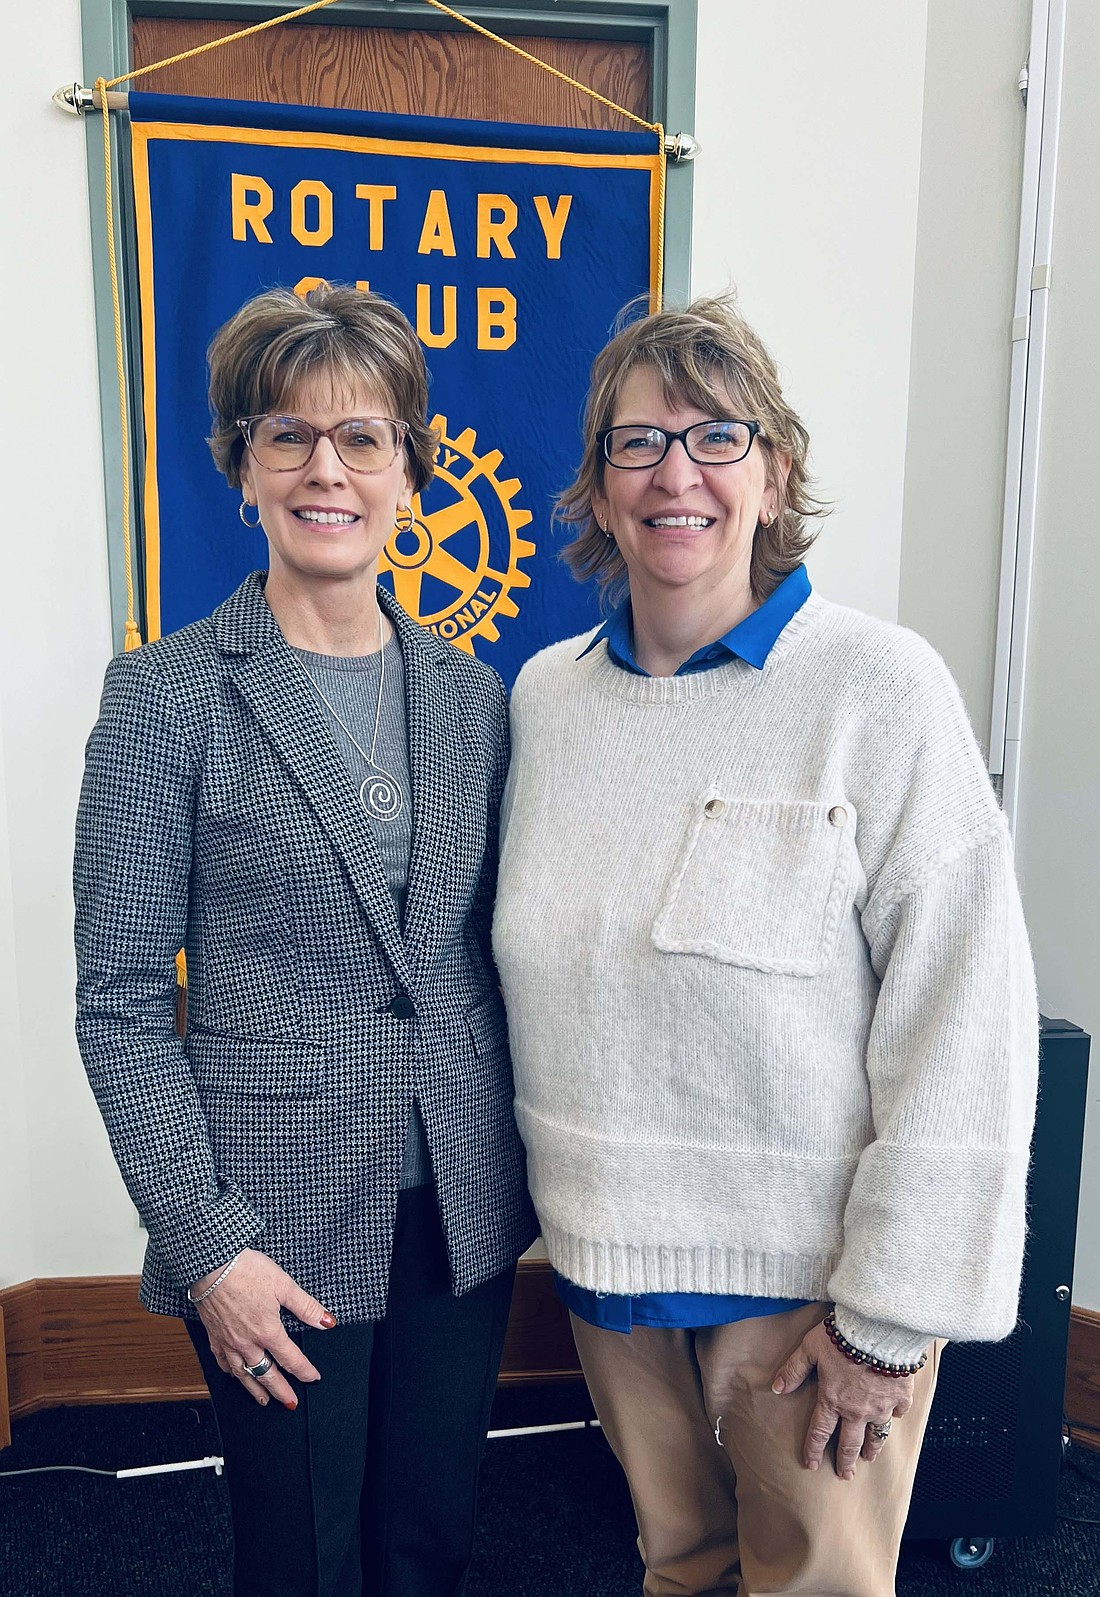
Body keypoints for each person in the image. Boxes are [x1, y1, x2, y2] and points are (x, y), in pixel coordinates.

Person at [492, 295, 1038, 1597]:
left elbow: (968, 1013)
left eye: (716, 437)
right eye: (639, 444)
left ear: (775, 471)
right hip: (611, 1275)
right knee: (680, 1569)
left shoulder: (877, 689)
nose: (677, 474)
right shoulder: (547, 701)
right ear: (600, 486)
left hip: (809, 1301)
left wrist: (892, 1319)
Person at [74, 283, 536, 1597]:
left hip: (457, 1203)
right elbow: (117, 999)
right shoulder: (166, 699)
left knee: (427, 1542)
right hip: (266, 1214)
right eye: (289, 436)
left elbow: (486, 955)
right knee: (303, 1562)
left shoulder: (475, 698)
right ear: (243, 468)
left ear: (410, 475)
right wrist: (205, 1241)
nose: (326, 467)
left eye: (363, 439)